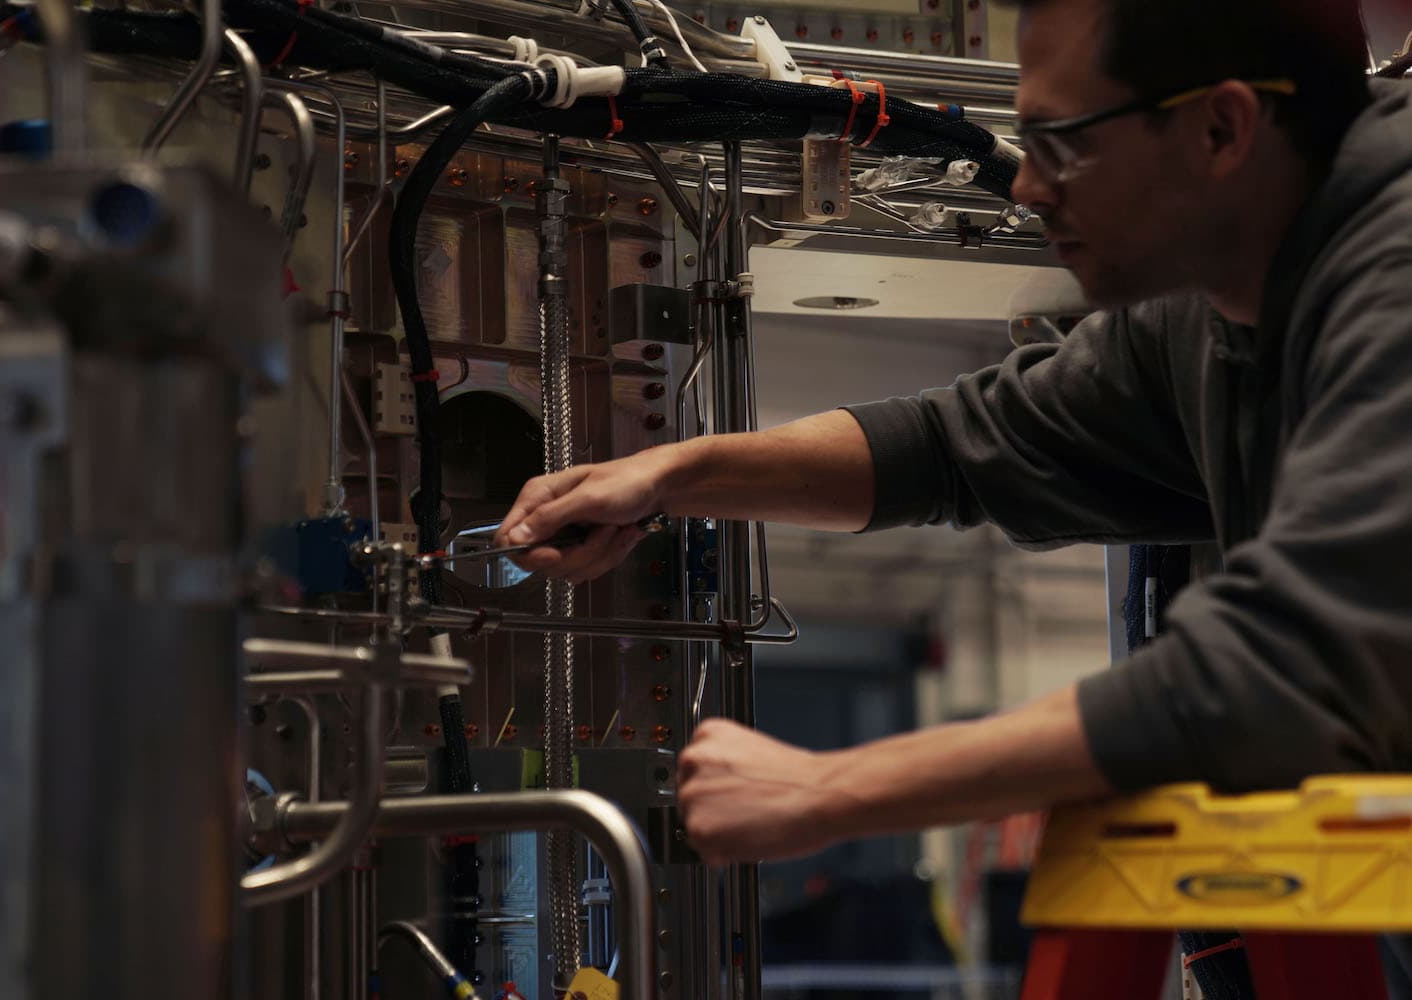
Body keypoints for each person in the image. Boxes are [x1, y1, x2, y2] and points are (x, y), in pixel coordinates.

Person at [496, 0, 1412, 869]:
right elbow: (956, 447)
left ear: (1222, 130)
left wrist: (832, 786)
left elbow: (1299, 659)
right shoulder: (1214, 308)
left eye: (1062, 142)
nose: (1029, 183)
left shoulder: (1392, 274)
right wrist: (673, 474)